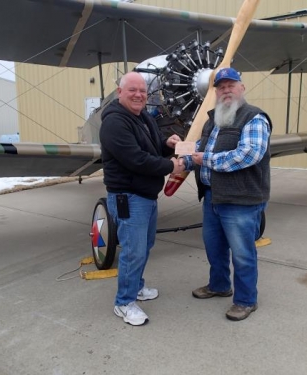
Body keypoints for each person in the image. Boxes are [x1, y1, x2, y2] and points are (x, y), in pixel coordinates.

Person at [180, 67, 272, 321]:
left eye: (231, 85)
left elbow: (250, 154)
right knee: (215, 247)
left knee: (242, 253)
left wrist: (205, 159)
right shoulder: (213, 120)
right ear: (216, 92)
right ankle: (219, 285)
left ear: (242, 88)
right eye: (221, 87)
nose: (226, 90)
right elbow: (199, 150)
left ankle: (245, 300)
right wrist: (181, 157)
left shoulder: (253, 118)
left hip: (241, 201)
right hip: (213, 197)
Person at [100, 71, 184, 326]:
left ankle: (136, 288)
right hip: (129, 197)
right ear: (120, 93)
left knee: (144, 247)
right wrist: (172, 166)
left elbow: (151, 145)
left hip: (146, 196)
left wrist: (167, 143)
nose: (138, 95)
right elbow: (136, 159)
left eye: (143, 91)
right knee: (133, 252)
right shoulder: (115, 122)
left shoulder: (141, 115)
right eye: (132, 90)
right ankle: (123, 302)